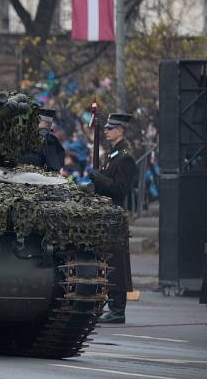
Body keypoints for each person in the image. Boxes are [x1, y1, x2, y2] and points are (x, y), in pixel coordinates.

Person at [90, 112, 138, 324]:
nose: (106, 131)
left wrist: (97, 177)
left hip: (115, 217)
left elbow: (120, 189)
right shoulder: (112, 155)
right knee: (108, 261)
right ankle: (111, 307)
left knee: (117, 264)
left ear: (120, 130)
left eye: (110, 128)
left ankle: (118, 310)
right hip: (107, 215)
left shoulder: (125, 158)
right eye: (106, 128)